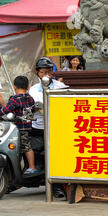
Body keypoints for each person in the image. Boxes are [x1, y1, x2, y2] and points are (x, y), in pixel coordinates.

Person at [29, 57, 68, 198]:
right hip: (38, 127)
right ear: (37, 73)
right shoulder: (33, 90)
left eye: (49, 72)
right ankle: (43, 182)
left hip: (56, 127)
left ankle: (57, 187)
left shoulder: (61, 87)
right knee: (40, 155)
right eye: (43, 72)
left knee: (55, 157)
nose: (46, 75)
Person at [0, 76, 37, 175]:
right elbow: (33, 110)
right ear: (28, 87)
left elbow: (5, 110)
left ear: (14, 87)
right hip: (28, 126)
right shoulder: (30, 98)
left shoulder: (15, 99)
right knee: (22, 147)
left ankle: (32, 167)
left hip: (19, 128)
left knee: (25, 147)